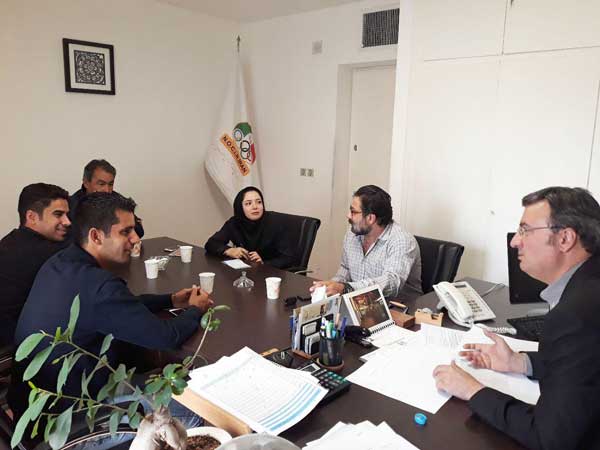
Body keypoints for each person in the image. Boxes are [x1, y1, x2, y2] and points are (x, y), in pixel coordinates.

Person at [9, 192, 211, 427]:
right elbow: (166, 337)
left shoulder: (60, 263)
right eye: (126, 232)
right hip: (71, 420)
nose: (136, 238)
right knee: (197, 411)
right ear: (96, 236)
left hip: (32, 406)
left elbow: (120, 305)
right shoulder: (99, 286)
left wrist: (170, 300)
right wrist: (196, 309)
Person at [433, 186, 600, 450]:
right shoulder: (589, 287)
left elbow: (549, 439)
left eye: (525, 230)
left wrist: (472, 390)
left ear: (565, 238)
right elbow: (584, 366)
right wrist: (520, 363)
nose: (514, 242)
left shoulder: (576, 314)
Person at [311, 185, 422, 300]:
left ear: (370, 218)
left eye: (353, 212)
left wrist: (346, 288)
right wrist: (330, 287)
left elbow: (392, 283)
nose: (348, 215)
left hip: (401, 307)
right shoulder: (353, 234)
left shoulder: (401, 240)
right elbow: (346, 269)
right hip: (362, 304)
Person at [0, 183, 71, 346]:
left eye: (67, 215)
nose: (67, 221)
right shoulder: (45, 254)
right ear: (32, 217)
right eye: (58, 214)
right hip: (20, 344)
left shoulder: (10, 241)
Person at [204, 186, 295, 269]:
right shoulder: (235, 222)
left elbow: (288, 258)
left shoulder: (275, 222)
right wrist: (229, 250)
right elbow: (211, 243)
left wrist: (264, 262)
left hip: (271, 276)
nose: (255, 207)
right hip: (245, 272)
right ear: (240, 207)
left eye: (259, 202)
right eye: (248, 203)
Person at [69, 159, 144, 237]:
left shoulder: (117, 199)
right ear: (86, 183)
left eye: (110, 184)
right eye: (101, 184)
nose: (107, 190)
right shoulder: (70, 206)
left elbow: (139, 230)